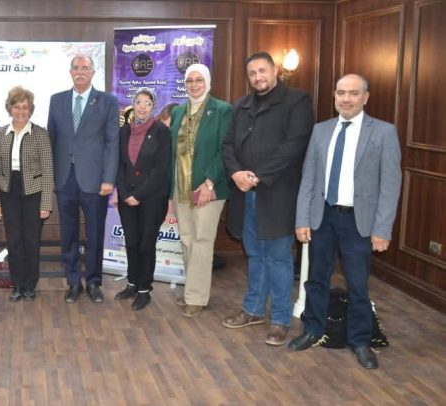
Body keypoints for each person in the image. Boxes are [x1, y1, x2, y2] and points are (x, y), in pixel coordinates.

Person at [289, 74, 401, 369]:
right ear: (334, 96)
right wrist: (302, 219)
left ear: (365, 97)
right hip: (322, 217)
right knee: (316, 279)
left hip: (358, 222)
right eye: (341, 93)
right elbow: (308, 178)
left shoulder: (384, 133)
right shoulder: (320, 130)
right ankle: (313, 330)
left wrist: (382, 228)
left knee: (357, 284)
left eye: (353, 93)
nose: (346, 99)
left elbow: (391, 186)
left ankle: (360, 340)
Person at [221, 52, 314, 346]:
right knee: (254, 255)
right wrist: (236, 173)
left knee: (278, 258)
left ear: (275, 71)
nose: (258, 77)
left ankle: (281, 320)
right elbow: (227, 145)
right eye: (252, 73)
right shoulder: (241, 106)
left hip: (278, 195)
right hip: (246, 195)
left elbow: (294, 146)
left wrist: (258, 176)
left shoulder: (297, 101)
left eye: (262, 70)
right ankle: (253, 310)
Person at [48, 54, 119, 303]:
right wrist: (50, 177)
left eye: (85, 68)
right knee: (68, 233)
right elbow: (51, 140)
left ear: (92, 72)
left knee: (95, 234)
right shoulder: (56, 100)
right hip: (64, 178)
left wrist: (109, 179)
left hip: (96, 180)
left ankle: (94, 282)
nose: (80, 71)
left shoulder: (108, 102)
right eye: (76, 68)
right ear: (70, 72)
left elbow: (112, 143)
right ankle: (73, 282)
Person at [168, 64, 232, 318]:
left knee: (202, 241)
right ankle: (191, 291)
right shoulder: (178, 111)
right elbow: (173, 151)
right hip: (181, 187)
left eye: (199, 80)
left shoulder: (222, 110)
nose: (194, 85)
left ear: (207, 82)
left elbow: (225, 149)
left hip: (207, 188)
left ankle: (196, 297)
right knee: (186, 239)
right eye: (189, 81)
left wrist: (209, 183)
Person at [0, 86, 54, 301]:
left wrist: (46, 203)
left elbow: (47, 170)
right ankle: (17, 285)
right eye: (17, 107)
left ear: (31, 110)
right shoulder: (1, 134)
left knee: (31, 241)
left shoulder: (40, 134)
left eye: (25, 107)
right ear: (10, 108)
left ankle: (30, 285)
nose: (21, 111)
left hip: (34, 192)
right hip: (8, 192)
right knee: (14, 241)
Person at [114, 88, 170, 310]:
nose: (142, 107)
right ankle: (132, 283)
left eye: (147, 103)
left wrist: (138, 195)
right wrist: (125, 193)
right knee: (131, 243)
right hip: (127, 198)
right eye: (138, 102)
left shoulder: (161, 131)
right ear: (133, 105)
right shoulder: (124, 131)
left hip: (152, 198)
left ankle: (144, 290)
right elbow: (119, 164)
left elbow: (161, 169)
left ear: (153, 106)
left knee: (146, 244)